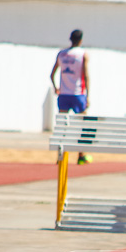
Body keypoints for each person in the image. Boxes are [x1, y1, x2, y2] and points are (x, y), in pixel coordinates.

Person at [49, 29, 91, 164]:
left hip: (64, 95)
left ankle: (60, 157)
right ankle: (81, 155)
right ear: (81, 40)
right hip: (78, 94)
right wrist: (88, 96)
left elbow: (52, 74)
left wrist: (56, 88)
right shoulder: (83, 54)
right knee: (82, 125)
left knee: (62, 126)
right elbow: (86, 75)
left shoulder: (61, 54)